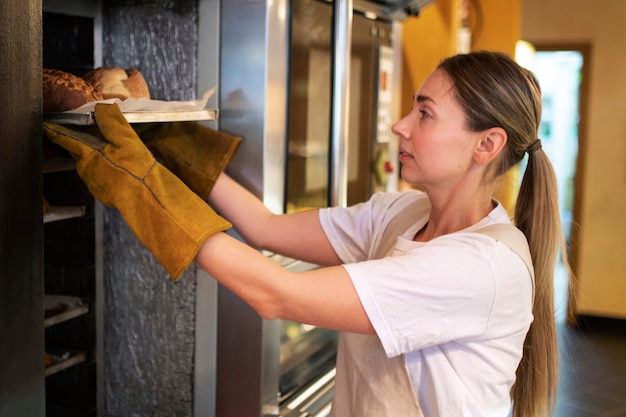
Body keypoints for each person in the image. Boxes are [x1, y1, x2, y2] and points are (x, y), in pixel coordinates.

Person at [44, 51, 570, 417]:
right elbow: (264, 227)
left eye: (425, 114)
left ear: (486, 145)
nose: (400, 126)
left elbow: (276, 294)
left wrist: (144, 184)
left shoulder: (479, 268)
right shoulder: (402, 215)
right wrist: (165, 138)